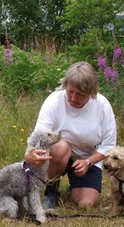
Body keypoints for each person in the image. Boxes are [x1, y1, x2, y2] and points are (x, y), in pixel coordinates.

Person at [24, 61, 117, 210]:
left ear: (91, 93)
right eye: (70, 91)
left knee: (87, 205)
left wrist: (89, 162)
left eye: (80, 94)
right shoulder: (54, 100)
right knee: (59, 147)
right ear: (65, 85)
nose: (73, 98)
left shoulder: (102, 105)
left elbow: (109, 145)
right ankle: (51, 190)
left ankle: (75, 184)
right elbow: (39, 136)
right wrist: (29, 154)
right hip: (58, 154)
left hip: (86, 160)